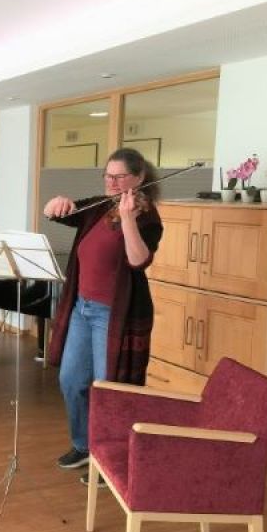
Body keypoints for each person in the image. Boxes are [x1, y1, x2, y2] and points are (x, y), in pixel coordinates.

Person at [43, 148, 163, 486]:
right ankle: (84, 445)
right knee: (71, 380)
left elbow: (138, 260)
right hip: (82, 309)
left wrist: (127, 219)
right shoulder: (97, 207)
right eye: (107, 176)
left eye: (119, 177)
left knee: (109, 390)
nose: (111, 182)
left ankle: (111, 461)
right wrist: (56, 203)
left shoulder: (147, 217)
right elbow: (56, 213)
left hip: (114, 315)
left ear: (138, 178)